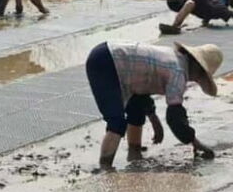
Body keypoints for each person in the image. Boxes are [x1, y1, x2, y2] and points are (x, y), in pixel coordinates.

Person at [85, 40, 220, 169]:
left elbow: (142, 90)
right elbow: (175, 118)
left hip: (109, 54)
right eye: (200, 76)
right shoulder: (179, 72)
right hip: (106, 62)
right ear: (197, 67)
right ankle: (105, 167)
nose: (196, 79)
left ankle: (134, 153)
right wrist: (195, 142)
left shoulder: (174, 57)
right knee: (116, 122)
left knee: (136, 111)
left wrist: (153, 118)